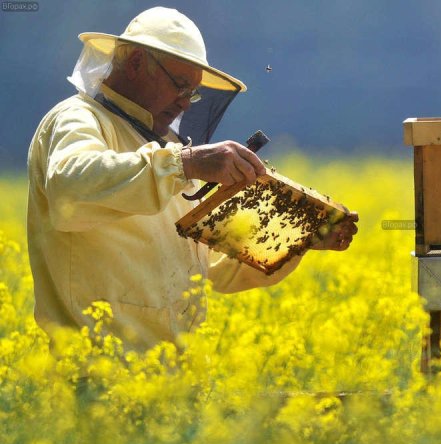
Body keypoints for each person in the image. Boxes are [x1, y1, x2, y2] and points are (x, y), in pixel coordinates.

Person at [27, 7, 357, 351]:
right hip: (94, 379)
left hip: (174, 382)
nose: (185, 104)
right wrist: (184, 163)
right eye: (181, 86)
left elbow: (207, 266)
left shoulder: (163, 150)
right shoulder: (77, 119)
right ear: (137, 62)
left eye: (193, 94)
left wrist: (299, 238)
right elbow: (70, 191)